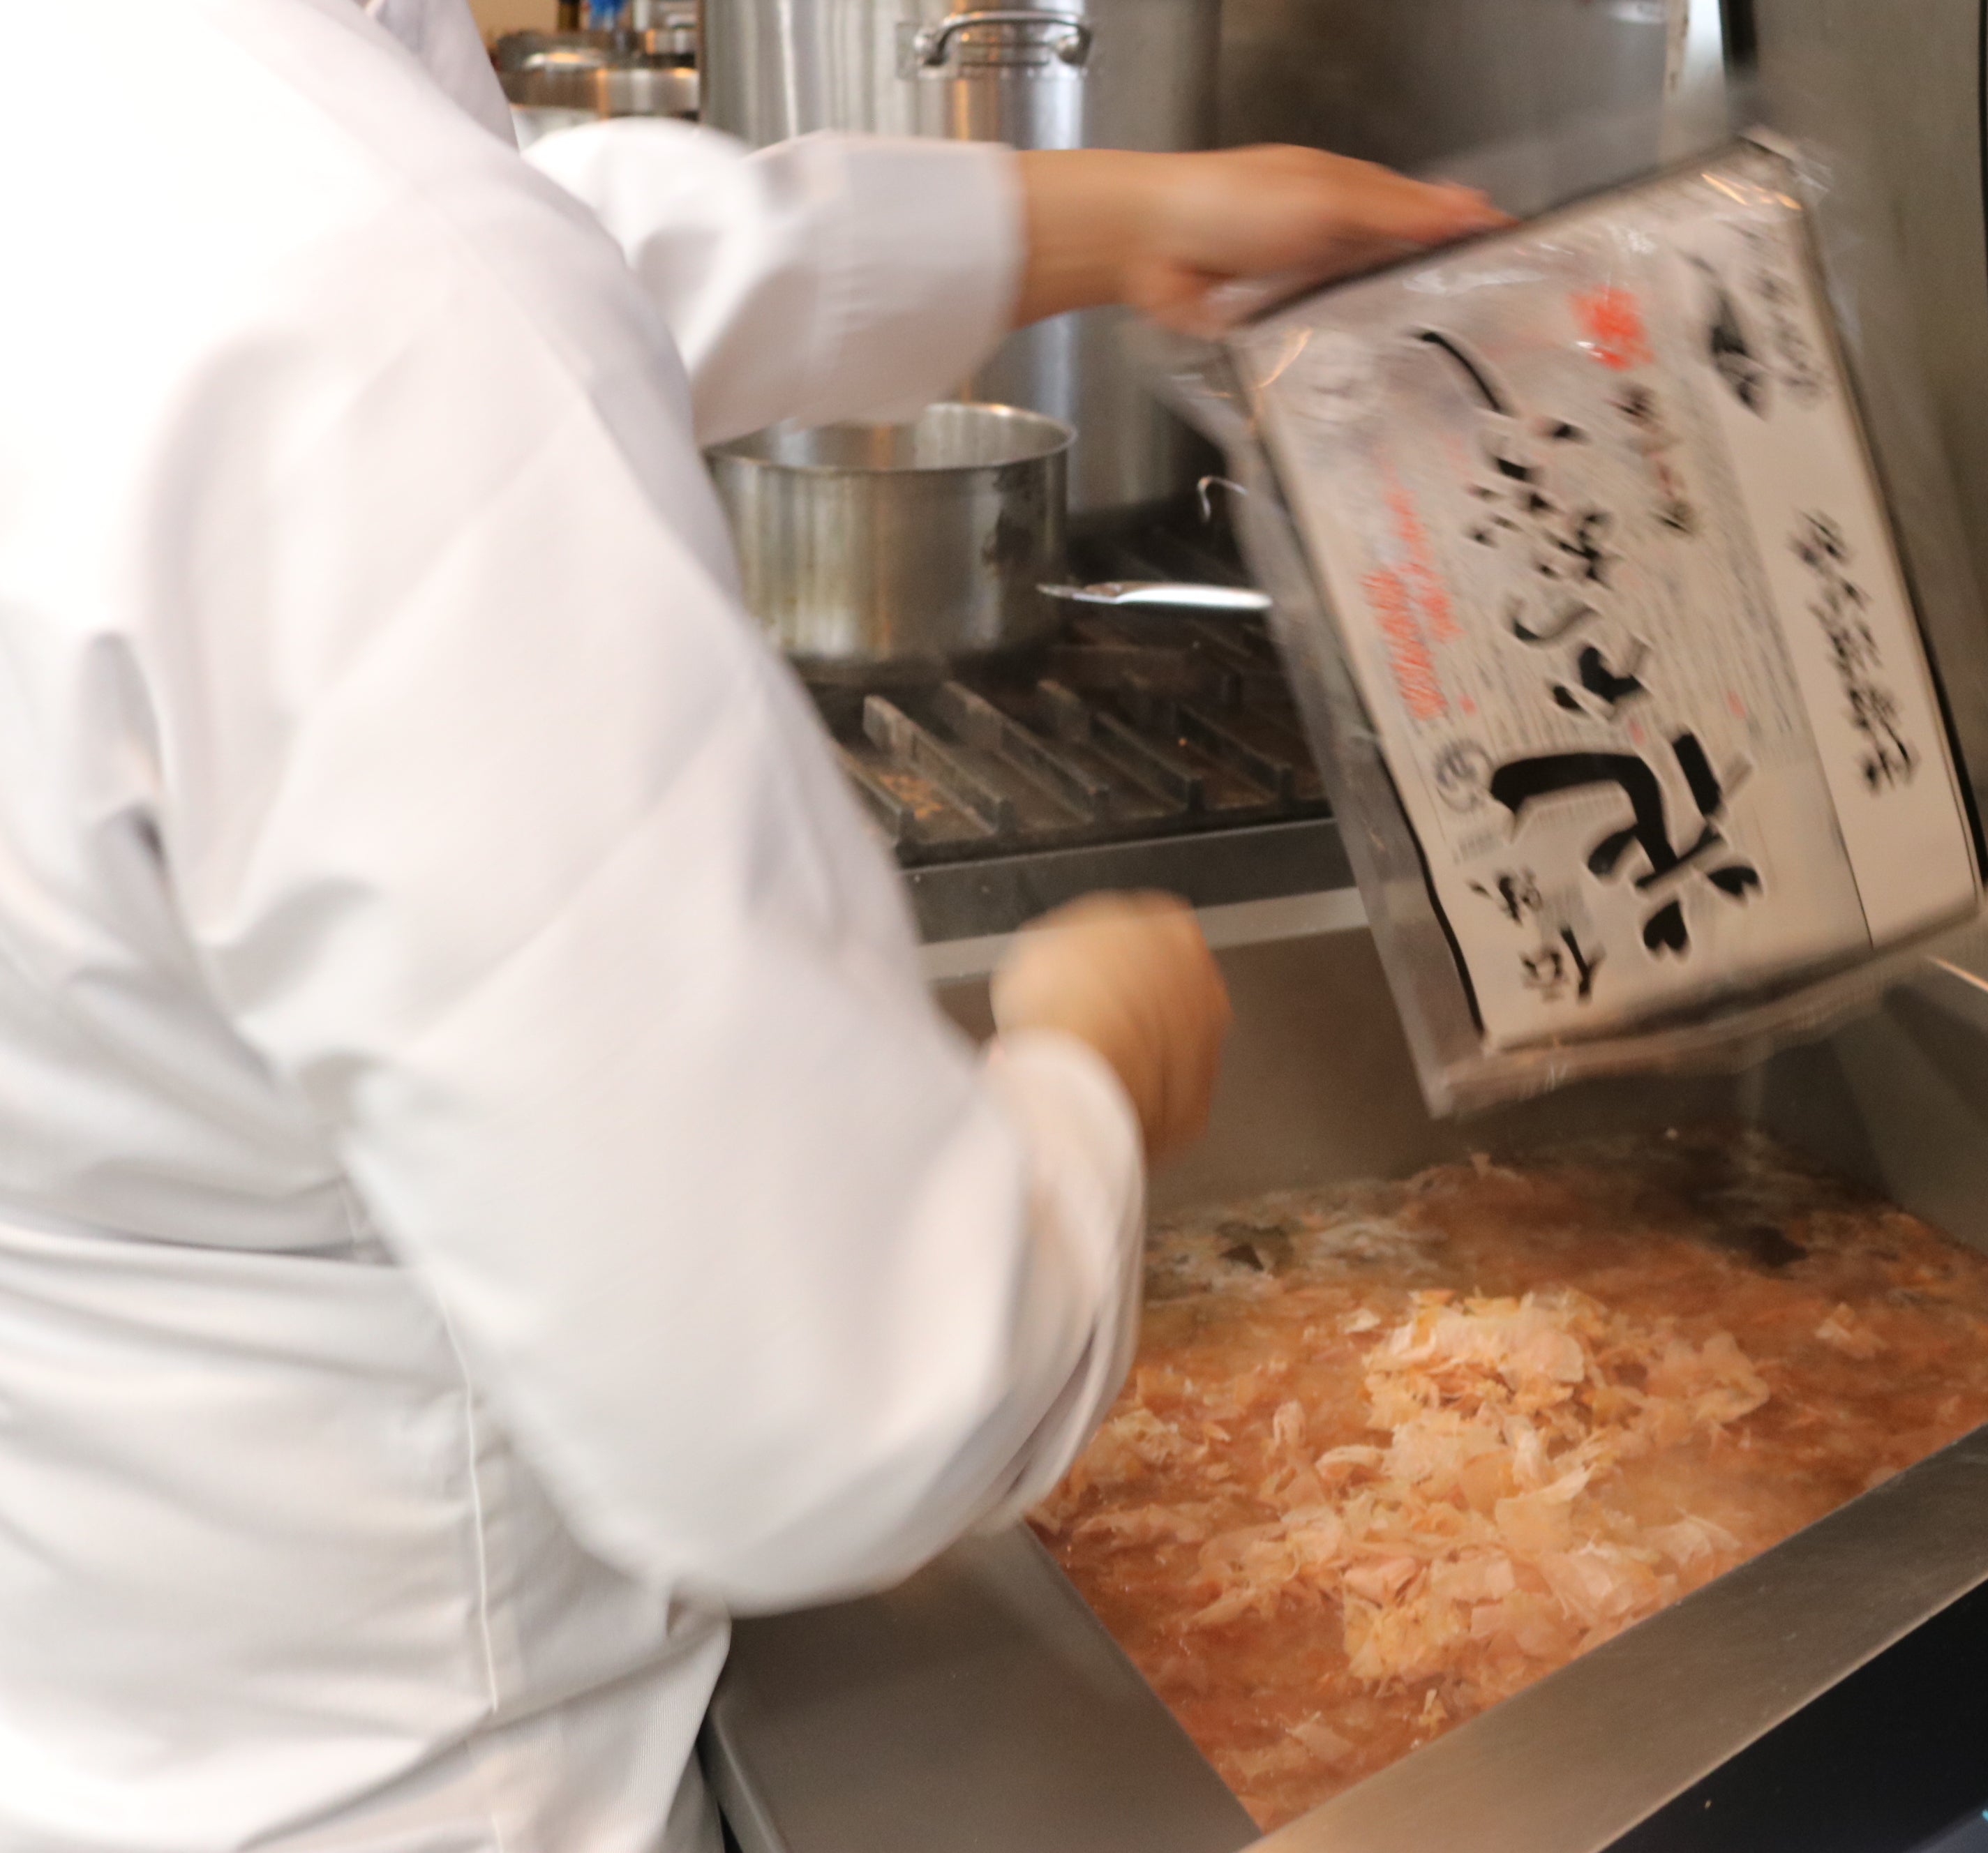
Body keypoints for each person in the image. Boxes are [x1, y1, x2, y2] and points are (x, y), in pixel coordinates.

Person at [0, 2, 1502, 1848]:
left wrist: (1131, 214)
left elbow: (547, 253)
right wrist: (1091, 1061)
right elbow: (834, 1402)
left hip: (89, 1682)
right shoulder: (348, 298)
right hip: (420, 1779)